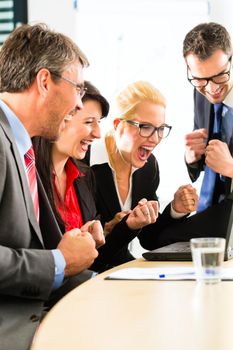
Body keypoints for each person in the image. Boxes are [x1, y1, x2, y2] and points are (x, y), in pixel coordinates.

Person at [0, 23, 100, 350]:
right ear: (44, 82)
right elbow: (51, 261)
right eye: (78, 89)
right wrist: (59, 262)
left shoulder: (22, 146)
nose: (77, 104)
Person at [33, 81, 161, 273]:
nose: (98, 133)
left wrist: (126, 227)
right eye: (88, 122)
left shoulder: (83, 178)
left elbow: (94, 261)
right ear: (61, 117)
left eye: (98, 122)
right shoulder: (28, 176)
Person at [146, 23, 233, 249]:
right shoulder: (200, 92)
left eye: (220, 76)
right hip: (214, 206)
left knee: (163, 239)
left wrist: (231, 167)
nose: (212, 88)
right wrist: (193, 159)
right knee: (157, 236)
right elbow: (206, 164)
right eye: (201, 79)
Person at [91, 80, 198, 260]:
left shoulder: (148, 167)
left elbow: (149, 239)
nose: (155, 139)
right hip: (90, 273)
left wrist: (175, 209)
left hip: (123, 269)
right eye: (145, 127)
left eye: (161, 129)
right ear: (118, 125)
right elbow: (91, 252)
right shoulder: (88, 165)